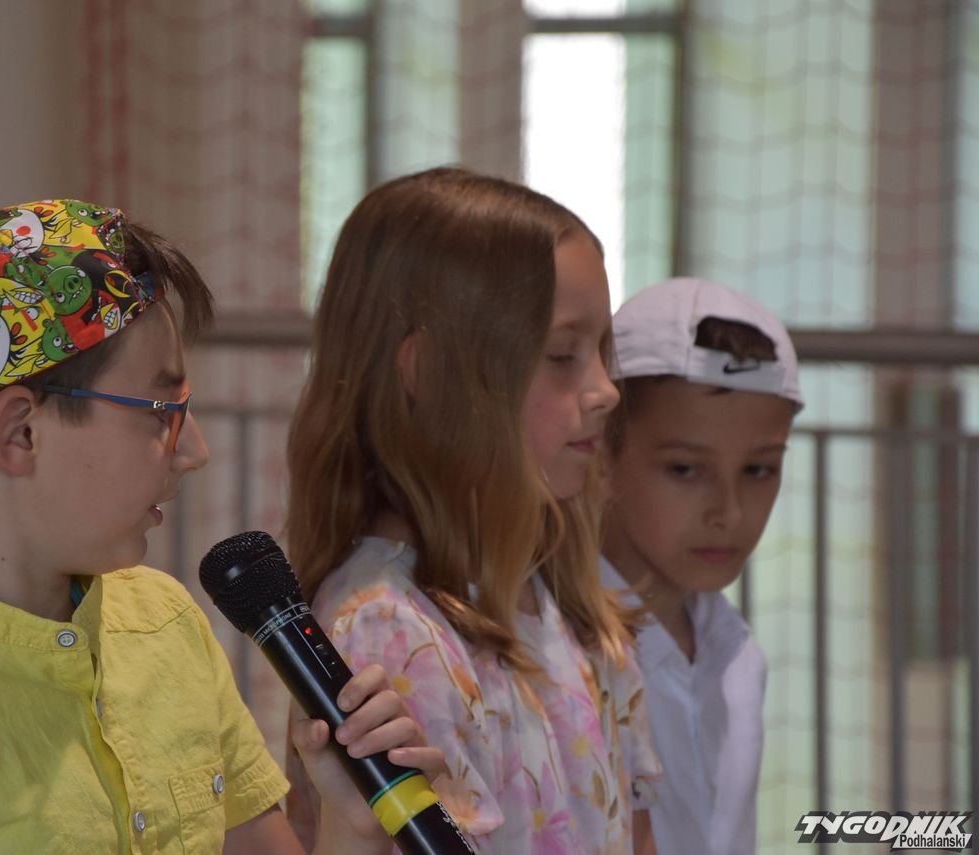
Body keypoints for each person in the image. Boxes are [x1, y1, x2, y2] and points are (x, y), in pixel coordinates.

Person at [0, 199, 442, 854]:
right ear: (20, 434)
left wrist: (352, 830)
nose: (195, 450)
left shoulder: (166, 623)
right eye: (162, 410)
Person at [282, 167, 661, 854]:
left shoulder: (566, 603)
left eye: (602, 353)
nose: (606, 390)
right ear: (426, 374)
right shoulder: (387, 633)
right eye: (562, 355)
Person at [599, 276, 805, 854]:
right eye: (685, 469)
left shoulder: (737, 655)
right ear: (601, 453)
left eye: (758, 469)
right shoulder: (553, 655)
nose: (729, 512)